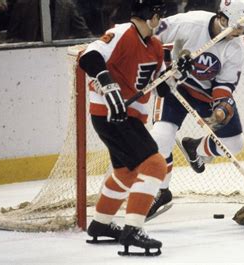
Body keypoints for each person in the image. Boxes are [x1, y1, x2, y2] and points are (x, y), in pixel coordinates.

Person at [78, 0, 190, 256]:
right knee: (155, 165)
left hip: (130, 117)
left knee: (126, 171)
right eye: (159, 15)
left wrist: (178, 73)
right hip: (112, 114)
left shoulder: (156, 46)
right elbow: (89, 57)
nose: (161, 20)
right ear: (150, 15)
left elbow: (161, 86)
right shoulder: (121, 33)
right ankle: (132, 230)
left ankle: (101, 224)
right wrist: (107, 83)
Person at [147, 0, 244, 215]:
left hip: (205, 95)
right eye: (238, 26)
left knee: (235, 144)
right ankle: (161, 191)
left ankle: (194, 149)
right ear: (223, 18)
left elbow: (224, 84)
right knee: (161, 137)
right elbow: (150, 36)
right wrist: (162, 68)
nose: (240, 32)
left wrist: (221, 108)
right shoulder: (190, 22)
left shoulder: (236, 46)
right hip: (174, 86)